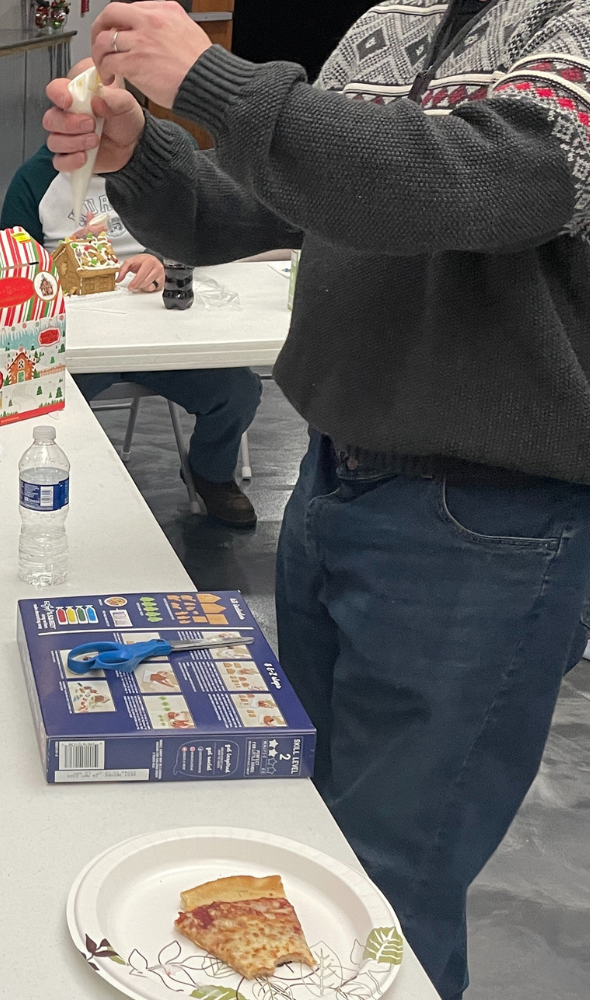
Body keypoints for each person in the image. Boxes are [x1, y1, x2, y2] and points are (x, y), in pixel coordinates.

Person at [42, 2, 590, 997]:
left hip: (486, 524)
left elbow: (464, 186)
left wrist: (207, 79)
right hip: (336, 481)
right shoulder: (395, 21)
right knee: (310, 843)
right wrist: (141, 155)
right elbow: (238, 210)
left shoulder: (568, 30)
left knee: (388, 885)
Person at [1, 64, 260, 529]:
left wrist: (161, 257)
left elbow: (199, 233)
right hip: (71, 336)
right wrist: (56, 272)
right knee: (36, 406)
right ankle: (53, 485)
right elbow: (10, 264)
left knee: (237, 390)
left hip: (155, 326)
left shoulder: (162, 172)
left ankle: (210, 474)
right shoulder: (34, 177)